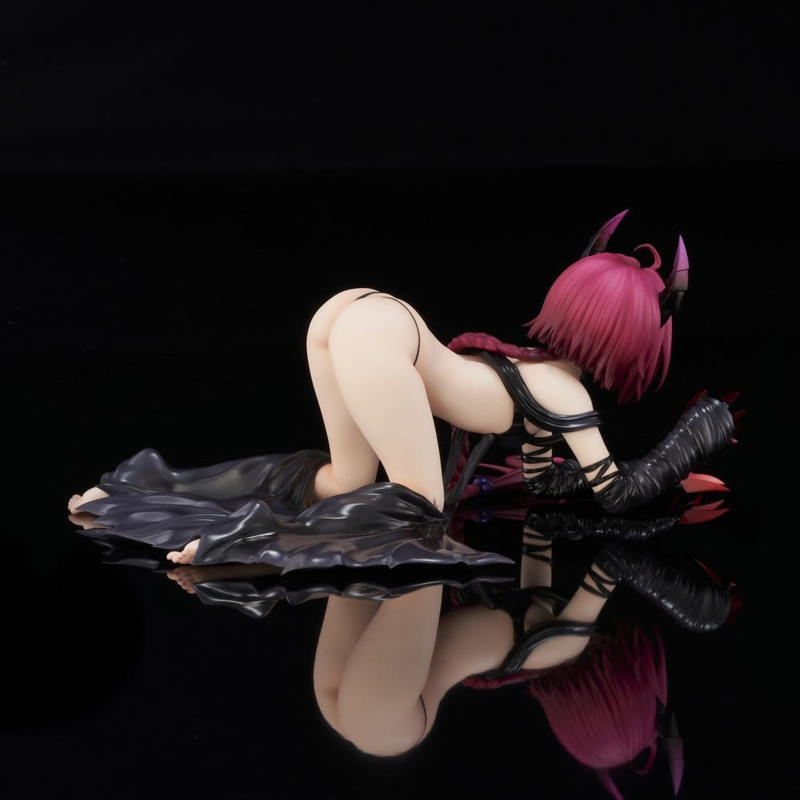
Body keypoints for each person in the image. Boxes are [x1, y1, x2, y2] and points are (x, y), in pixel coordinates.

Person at [67, 210, 739, 571]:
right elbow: (615, 493)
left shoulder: (538, 375)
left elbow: (545, 479)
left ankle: (141, 493)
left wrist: (565, 476)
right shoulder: (566, 395)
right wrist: (692, 438)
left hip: (355, 312)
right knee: (419, 509)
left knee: (345, 481)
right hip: (385, 335)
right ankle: (234, 544)